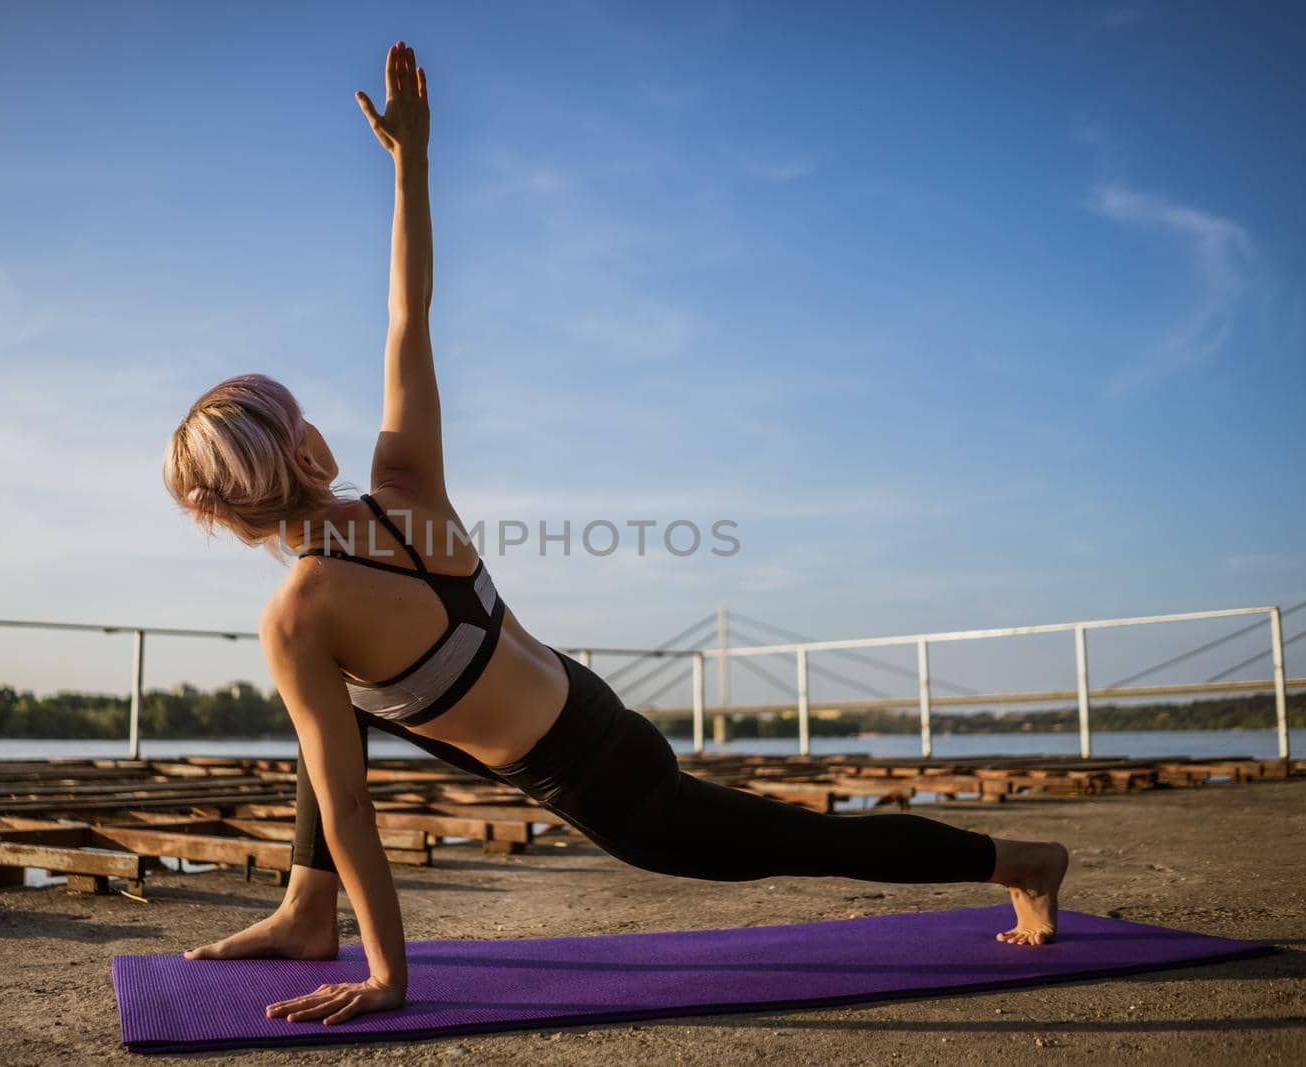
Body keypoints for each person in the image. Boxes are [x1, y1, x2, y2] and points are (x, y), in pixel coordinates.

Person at [161, 41, 1069, 1029]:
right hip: (584, 701)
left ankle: (1020, 860)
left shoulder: (300, 611)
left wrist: (390, 975)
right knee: (332, 711)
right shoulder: (401, 484)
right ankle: (305, 908)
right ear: (306, 447)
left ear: (218, 515)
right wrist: (410, 160)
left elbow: (348, 809)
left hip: (604, 785)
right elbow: (406, 313)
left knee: (798, 840)